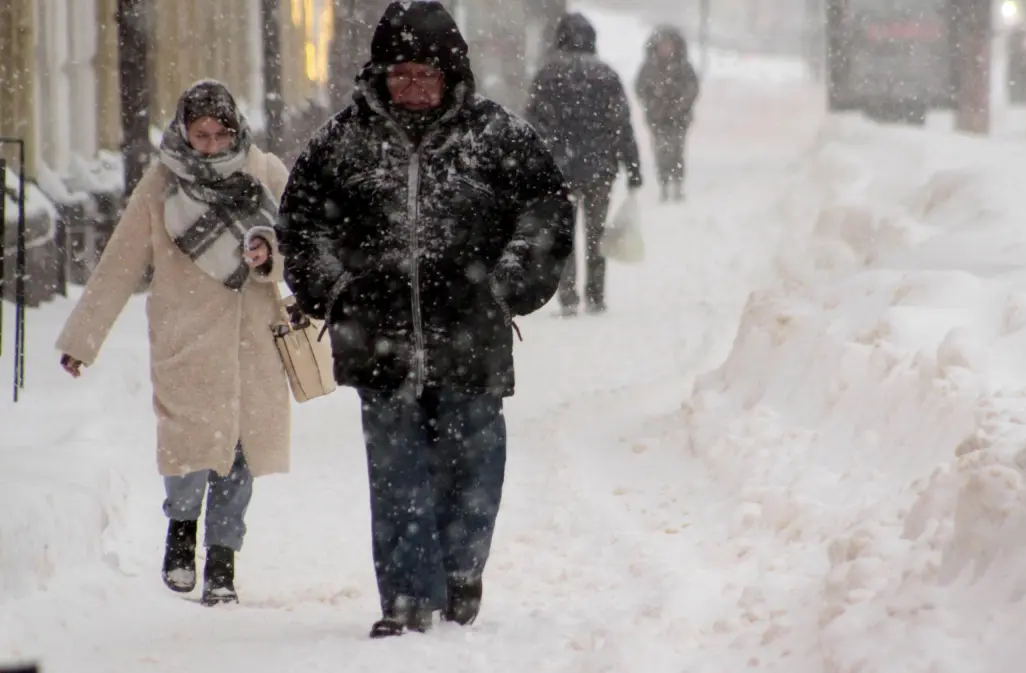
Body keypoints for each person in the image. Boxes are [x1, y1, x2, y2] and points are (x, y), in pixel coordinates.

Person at [276, 0, 574, 638]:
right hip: (376, 338)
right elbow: (300, 226)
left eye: (425, 75)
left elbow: (546, 212)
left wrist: (506, 285)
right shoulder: (342, 142)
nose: (411, 88)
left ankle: (461, 571)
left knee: (471, 462)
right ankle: (408, 597)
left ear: (452, 76)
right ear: (379, 75)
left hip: (471, 337)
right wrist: (336, 293)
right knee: (397, 471)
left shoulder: (497, 137)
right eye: (399, 74)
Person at [55, 80, 293, 606]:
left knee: (240, 453)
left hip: (251, 338)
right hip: (185, 335)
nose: (209, 144)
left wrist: (267, 253)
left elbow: (297, 244)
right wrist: (82, 340)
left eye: (218, 133)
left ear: (235, 130)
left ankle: (223, 561)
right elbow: (121, 262)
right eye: (199, 134)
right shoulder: (161, 184)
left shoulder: (265, 172)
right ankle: (181, 533)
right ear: (184, 132)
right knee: (187, 445)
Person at [526, 12, 643, 317]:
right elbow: (622, 125)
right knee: (596, 233)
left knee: (563, 235)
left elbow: (533, 126)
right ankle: (595, 294)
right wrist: (633, 167)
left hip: (558, 171)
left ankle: (568, 298)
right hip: (600, 168)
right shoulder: (606, 75)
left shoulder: (547, 74)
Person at [635, 26, 700, 203]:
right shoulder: (649, 67)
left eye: (669, 44)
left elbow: (692, 89)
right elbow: (640, 89)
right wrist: (653, 104)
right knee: (660, 151)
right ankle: (663, 184)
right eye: (662, 45)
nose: (666, 48)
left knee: (677, 150)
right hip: (657, 118)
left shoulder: (683, 67)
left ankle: (677, 183)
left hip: (679, 118)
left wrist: (680, 105)